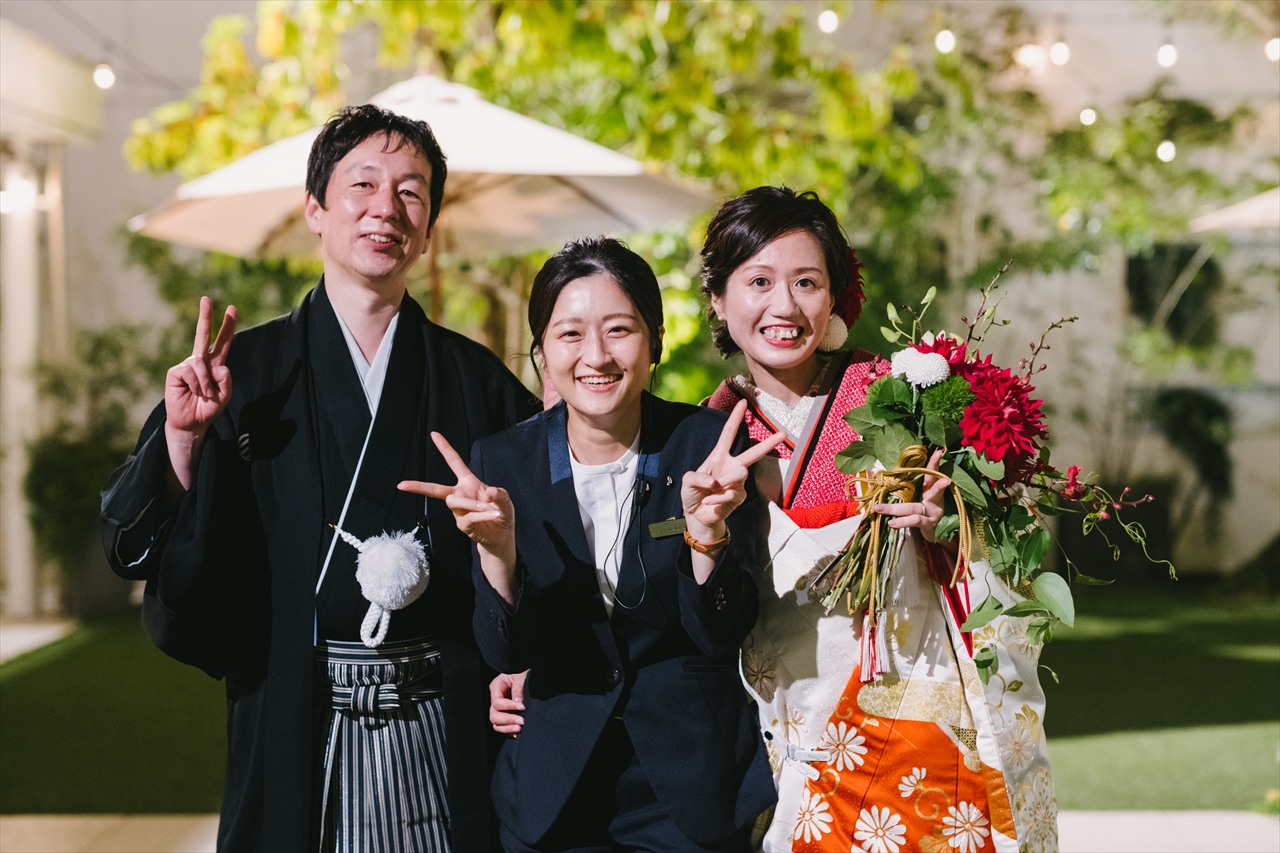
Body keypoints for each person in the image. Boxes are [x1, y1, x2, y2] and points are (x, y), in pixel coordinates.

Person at [100, 105, 539, 852]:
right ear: (315, 209)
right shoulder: (245, 375)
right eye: (362, 184)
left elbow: (553, 523)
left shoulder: (475, 380)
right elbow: (133, 543)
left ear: (428, 228)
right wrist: (183, 436)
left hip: (442, 718)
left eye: (410, 192)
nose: (385, 208)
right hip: (297, 713)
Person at [699, 186, 1058, 852]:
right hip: (787, 744)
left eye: (807, 282)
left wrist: (950, 524)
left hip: (915, 732)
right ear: (719, 298)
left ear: (835, 296)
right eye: (759, 281)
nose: (785, 306)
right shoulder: (702, 438)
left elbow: (1002, 562)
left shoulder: (901, 399)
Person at [400, 237, 782, 852]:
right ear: (542, 352)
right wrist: (498, 554)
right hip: (553, 787)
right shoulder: (503, 463)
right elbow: (506, 652)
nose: (596, 356)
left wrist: (707, 536)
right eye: (570, 334)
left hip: (691, 783)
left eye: (619, 330)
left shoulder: (706, 447)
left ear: (654, 341)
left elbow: (722, 633)